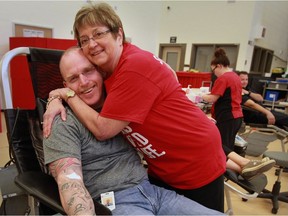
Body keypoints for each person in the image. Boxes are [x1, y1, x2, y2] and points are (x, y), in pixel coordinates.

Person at [43, 2, 227, 212]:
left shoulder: (132, 69)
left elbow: (103, 129)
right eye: (85, 40)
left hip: (190, 163)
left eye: (99, 34)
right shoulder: (65, 119)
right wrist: (55, 98)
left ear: (119, 35)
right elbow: (70, 183)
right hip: (139, 184)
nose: (92, 44)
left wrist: (66, 94)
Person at [202, 48, 275, 179]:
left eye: (213, 70)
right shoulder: (235, 76)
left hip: (227, 116)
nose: (214, 73)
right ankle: (241, 169)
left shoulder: (223, 78)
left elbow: (212, 98)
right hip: (236, 117)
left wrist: (200, 95)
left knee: (218, 145)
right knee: (227, 145)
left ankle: (245, 164)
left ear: (219, 66)